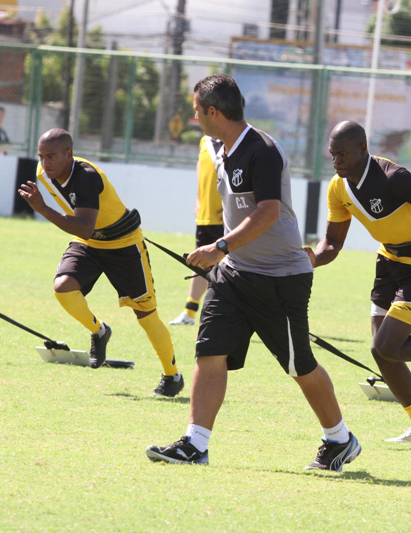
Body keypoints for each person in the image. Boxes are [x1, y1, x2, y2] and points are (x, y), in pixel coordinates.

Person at [146, 75, 360, 470]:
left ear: (213, 112)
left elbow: (268, 213)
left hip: (280, 278)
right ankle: (196, 444)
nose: (193, 117)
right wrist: (224, 255)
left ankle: (340, 438)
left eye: (196, 110)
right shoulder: (218, 146)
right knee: (210, 351)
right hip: (235, 274)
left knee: (299, 365)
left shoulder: (262, 150)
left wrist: (219, 247)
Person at [306, 120, 411, 444]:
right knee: (383, 353)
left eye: (343, 154)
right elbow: (332, 243)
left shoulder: (394, 178)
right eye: (332, 155)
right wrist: (310, 259)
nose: (336, 161)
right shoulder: (338, 188)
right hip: (388, 261)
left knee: (386, 346)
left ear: (363, 149)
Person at [18, 128, 184, 397]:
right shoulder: (43, 175)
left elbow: (83, 227)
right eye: (41, 156)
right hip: (90, 244)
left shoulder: (87, 177)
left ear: (69, 154)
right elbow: (85, 231)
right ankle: (100, 331)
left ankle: (172, 375)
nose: (45, 163)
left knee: (146, 314)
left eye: (51, 157)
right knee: (63, 287)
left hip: (124, 245)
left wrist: (42, 209)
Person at [169, 135, 224, 326]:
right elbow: (202, 167)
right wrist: (199, 199)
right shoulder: (205, 141)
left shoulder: (233, 140)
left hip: (225, 217)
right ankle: (189, 312)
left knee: (227, 269)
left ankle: (225, 316)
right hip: (206, 215)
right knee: (201, 262)